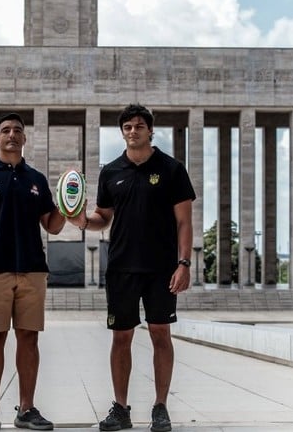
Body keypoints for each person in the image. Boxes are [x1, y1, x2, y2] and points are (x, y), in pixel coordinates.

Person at [67, 104, 195, 432]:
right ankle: (121, 409)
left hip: (162, 268)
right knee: (120, 337)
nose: (133, 131)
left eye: (139, 126)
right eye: (127, 127)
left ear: (150, 130)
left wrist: (184, 263)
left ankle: (160, 407)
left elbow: (184, 222)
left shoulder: (171, 169)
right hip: (122, 266)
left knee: (160, 334)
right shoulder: (110, 172)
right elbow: (102, 218)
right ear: (121, 132)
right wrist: (82, 221)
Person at [0, 112, 66, 432]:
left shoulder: (36, 179)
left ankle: (27, 409)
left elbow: (53, 225)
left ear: (24, 139)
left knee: (29, 340)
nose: (11, 135)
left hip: (32, 270)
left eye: (17, 131)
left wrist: (68, 205)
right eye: (5, 130)